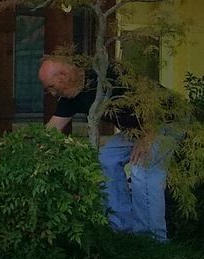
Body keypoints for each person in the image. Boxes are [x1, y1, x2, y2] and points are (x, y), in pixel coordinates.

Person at [39, 55, 175, 241]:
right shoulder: (70, 97)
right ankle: (121, 229)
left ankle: (152, 240)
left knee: (142, 168)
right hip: (136, 130)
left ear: (63, 75)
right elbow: (50, 132)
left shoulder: (107, 76)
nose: (52, 94)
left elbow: (152, 102)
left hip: (165, 121)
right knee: (106, 159)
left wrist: (147, 138)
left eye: (51, 87)